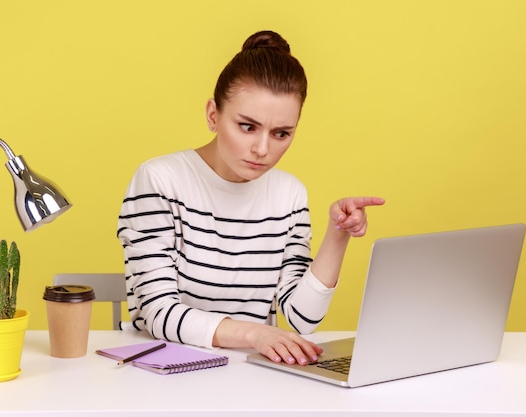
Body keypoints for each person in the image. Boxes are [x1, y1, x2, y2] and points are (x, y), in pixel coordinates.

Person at [117, 30, 384, 366]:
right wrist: (256, 334)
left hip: (252, 372)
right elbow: (157, 312)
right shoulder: (160, 179)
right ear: (213, 115)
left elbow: (303, 319)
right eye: (247, 126)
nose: (262, 149)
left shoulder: (289, 193)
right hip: (164, 369)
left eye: (281, 134)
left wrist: (338, 234)